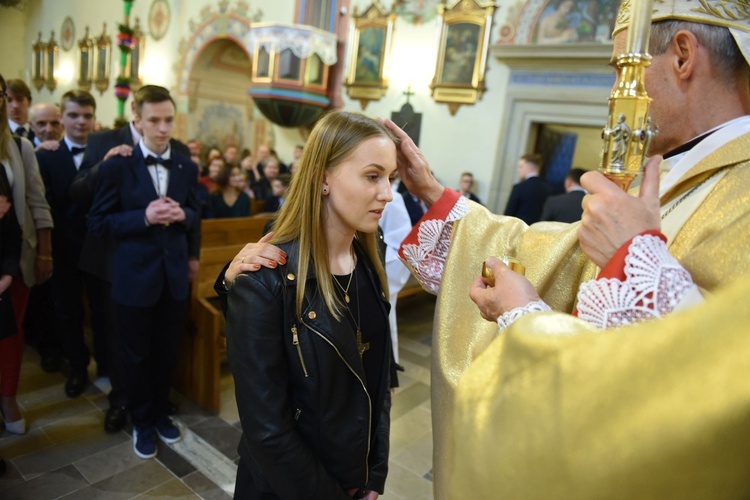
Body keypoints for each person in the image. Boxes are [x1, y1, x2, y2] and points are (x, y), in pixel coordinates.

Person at [384, 0, 750, 493]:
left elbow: (715, 390)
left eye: (623, 67)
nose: (614, 94)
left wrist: (626, 262)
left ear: (682, 57)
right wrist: (434, 194)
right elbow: (560, 252)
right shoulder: (676, 172)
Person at [220, 111, 396, 499]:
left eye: (390, 177)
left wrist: (373, 476)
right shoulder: (265, 278)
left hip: (353, 472)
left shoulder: (369, 253)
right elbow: (268, 432)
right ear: (322, 178)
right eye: (372, 176)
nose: (387, 193)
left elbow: (379, 378)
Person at [72, 84, 192, 434]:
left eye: (169, 120)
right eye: (154, 120)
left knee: (166, 351)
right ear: (137, 120)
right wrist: (144, 217)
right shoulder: (117, 165)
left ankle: (159, 413)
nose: (163, 128)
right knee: (134, 355)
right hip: (133, 276)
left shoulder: (184, 164)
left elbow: (197, 216)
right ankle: (140, 420)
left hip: (172, 276)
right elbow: (96, 222)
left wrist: (184, 215)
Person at [37, 90, 105, 398]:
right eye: (74, 115)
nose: (81, 122)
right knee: (68, 311)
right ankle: (77, 367)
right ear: (62, 118)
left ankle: (106, 366)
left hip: (100, 247)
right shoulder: (46, 155)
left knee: (103, 311)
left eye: (87, 115)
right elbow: (43, 205)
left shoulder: (105, 152)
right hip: (64, 248)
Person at [0, 74, 54, 435]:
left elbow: (37, 203)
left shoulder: (19, 148)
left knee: (9, 334)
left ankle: (7, 397)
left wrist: (45, 253)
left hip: (14, 259)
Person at [504, 153, 551, 224]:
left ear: (529, 168)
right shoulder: (548, 189)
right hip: (538, 231)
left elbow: (509, 215)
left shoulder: (519, 187)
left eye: (521, 167)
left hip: (520, 230)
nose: (518, 170)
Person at [5, 79, 35, 143]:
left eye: (20, 99)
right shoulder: (2, 132)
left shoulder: (39, 130)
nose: (15, 106)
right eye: (9, 100)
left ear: (29, 102)